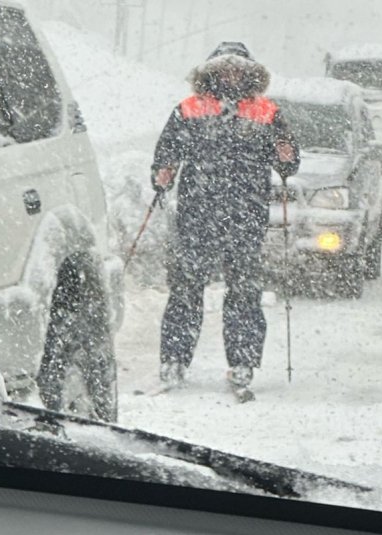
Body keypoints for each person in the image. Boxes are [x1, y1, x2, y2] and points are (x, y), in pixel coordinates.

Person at [151, 42, 300, 393]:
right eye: (224, 69)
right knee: (186, 288)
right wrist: (163, 172)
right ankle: (174, 358)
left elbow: (288, 164)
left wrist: (285, 155)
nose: (231, 75)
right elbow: (167, 151)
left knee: (244, 292)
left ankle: (243, 361)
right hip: (197, 214)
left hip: (245, 216)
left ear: (249, 73)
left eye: (238, 69)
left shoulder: (267, 111)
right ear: (211, 72)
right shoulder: (189, 110)